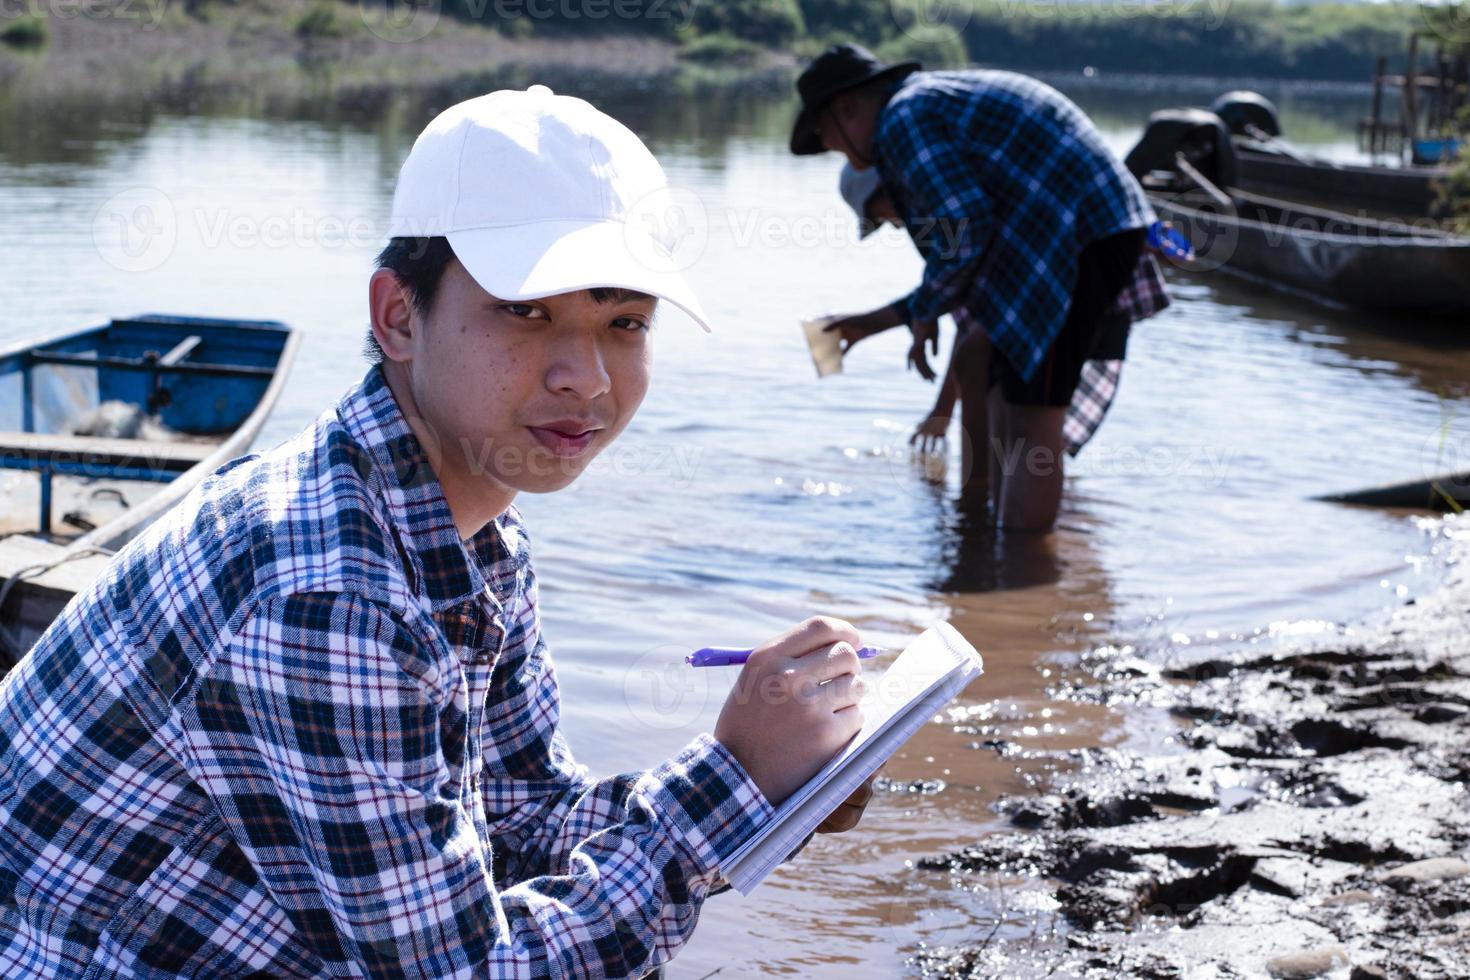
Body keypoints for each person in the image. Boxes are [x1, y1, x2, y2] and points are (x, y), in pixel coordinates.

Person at [0, 87, 873, 979]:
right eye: (526, 311)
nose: (585, 377)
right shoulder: (329, 593)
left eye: (625, 323)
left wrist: (767, 791)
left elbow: (523, 817)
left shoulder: (471, 526)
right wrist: (725, 782)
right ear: (398, 316)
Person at [795, 44, 1169, 530]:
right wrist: (921, 310)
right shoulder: (921, 107)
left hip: (1073, 236)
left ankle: (1016, 574)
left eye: (829, 138)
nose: (842, 154)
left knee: (1033, 421)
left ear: (849, 108)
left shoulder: (903, 120)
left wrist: (894, 315)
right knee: (1015, 407)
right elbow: (966, 240)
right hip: (1067, 234)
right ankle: (997, 570)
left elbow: (965, 230)